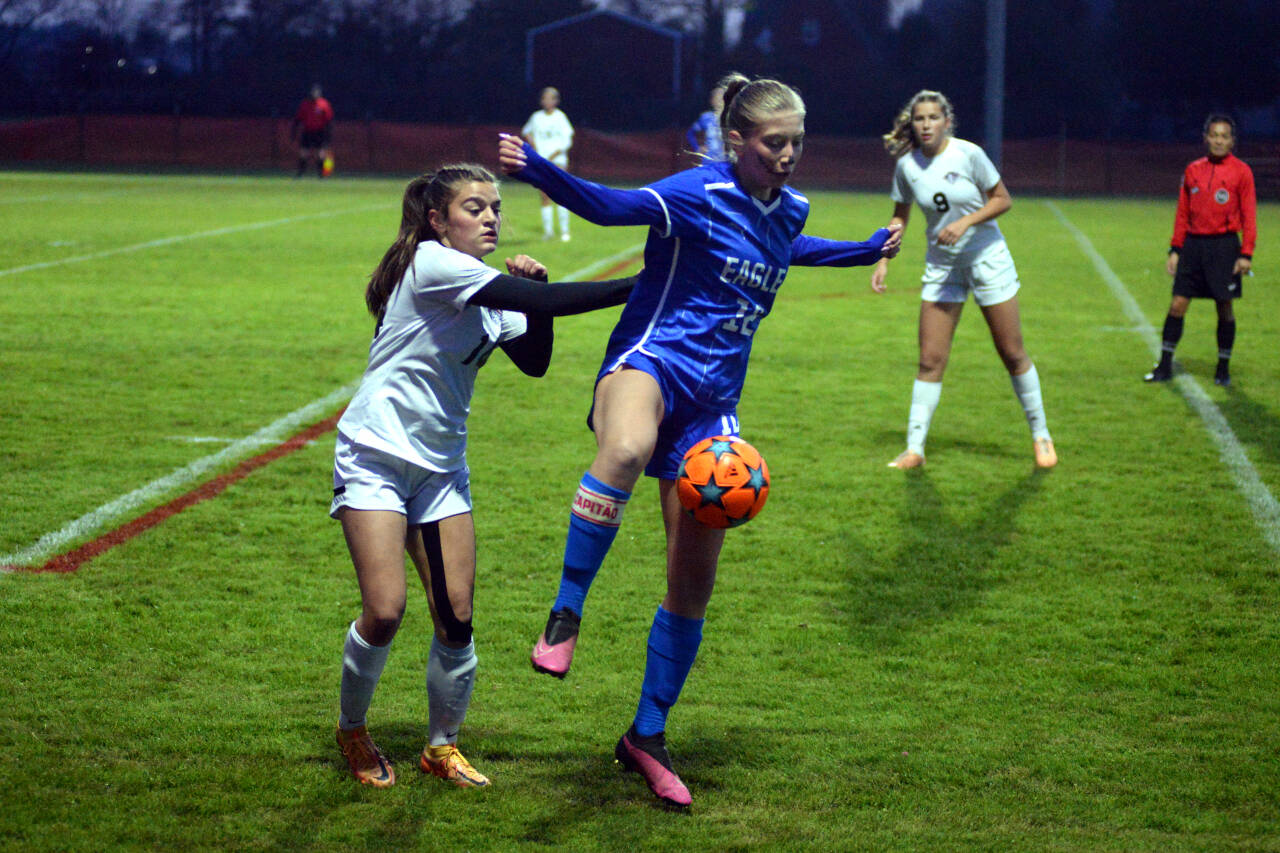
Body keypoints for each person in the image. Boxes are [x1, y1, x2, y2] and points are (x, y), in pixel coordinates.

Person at [498, 73, 901, 808]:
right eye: (774, 142)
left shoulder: (790, 210)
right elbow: (613, 207)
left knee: (693, 579)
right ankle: (565, 612)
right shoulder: (695, 192)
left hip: (713, 407)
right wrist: (540, 169)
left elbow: (791, 247)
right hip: (647, 364)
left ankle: (645, 736)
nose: (788, 155)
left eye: (797, 143)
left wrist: (865, 247)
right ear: (736, 139)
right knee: (621, 450)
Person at [331, 163, 635, 790]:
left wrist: (536, 294)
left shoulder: (488, 286)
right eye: (475, 208)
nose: (492, 217)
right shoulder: (434, 264)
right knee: (385, 611)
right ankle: (352, 730)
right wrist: (640, 284)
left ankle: (441, 748)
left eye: (495, 207)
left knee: (458, 616)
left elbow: (535, 360)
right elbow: (538, 302)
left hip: (442, 467)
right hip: (376, 456)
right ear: (438, 220)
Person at [870, 89, 1056, 470]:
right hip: (942, 268)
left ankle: (1042, 437)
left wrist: (965, 221)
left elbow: (1003, 199)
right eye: (919, 119)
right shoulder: (907, 165)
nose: (925, 125)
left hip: (988, 260)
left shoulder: (968, 154)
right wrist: (884, 256)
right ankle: (914, 450)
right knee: (929, 360)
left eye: (933, 118)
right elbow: (900, 215)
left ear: (947, 122)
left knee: (1012, 352)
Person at [1145, 114, 1257, 387]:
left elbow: (1250, 214)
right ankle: (1164, 366)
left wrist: (1246, 254)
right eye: (1214, 135)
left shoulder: (1242, 171)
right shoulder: (1193, 169)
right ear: (1206, 138)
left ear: (1232, 141)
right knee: (1177, 305)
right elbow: (1183, 213)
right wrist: (1175, 248)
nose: (1219, 140)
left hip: (1224, 247)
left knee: (1225, 308)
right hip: (1193, 247)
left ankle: (1222, 369)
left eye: (1224, 136)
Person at [521, 87, 575, 241]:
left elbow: (567, 140)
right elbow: (527, 131)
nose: (547, 101)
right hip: (542, 161)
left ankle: (565, 231)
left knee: (562, 194)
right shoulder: (536, 117)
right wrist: (534, 147)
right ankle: (548, 232)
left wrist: (554, 154)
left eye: (550, 98)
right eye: (544, 98)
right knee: (544, 195)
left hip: (557, 161)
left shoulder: (560, 117)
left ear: (556, 101)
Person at [292, 84, 334, 179]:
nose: (315, 94)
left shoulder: (324, 104)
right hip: (307, 131)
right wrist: (294, 131)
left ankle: (321, 174)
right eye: (313, 92)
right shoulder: (305, 104)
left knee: (320, 154)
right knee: (303, 153)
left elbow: (329, 120)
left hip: (320, 132)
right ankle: (300, 173)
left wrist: (329, 134)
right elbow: (298, 119)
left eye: (317, 92)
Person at [685, 81, 726, 161]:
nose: (719, 100)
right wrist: (697, 148)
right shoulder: (706, 117)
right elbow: (690, 133)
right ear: (712, 101)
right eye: (716, 97)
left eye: (722, 97)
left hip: (726, 162)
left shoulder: (731, 117)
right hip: (709, 162)